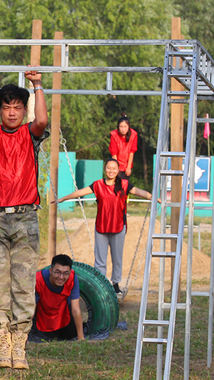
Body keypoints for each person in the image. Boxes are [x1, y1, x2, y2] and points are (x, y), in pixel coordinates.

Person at [0, 68, 49, 370]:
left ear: (23, 110)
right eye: (7, 107)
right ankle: (3, 340)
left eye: (18, 107)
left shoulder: (30, 134)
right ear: (1, 110)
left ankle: (20, 344)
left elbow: (41, 120)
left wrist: (37, 85)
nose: (12, 112)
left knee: (24, 285)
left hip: (24, 218)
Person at [56, 158, 153, 295]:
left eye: (114, 168)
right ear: (105, 169)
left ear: (118, 170)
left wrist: (155, 198)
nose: (111, 171)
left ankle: (115, 285)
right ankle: (101, 284)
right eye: (108, 168)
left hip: (118, 226)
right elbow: (80, 193)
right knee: (100, 259)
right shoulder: (98, 185)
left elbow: (140, 192)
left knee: (117, 258)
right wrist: (63, 198)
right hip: (101, 227)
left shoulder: (124, 184)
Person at [30, 254, 85, 342]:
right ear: (51, 270)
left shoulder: (72, 279)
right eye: (57, 272)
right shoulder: (38, 280)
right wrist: (24, 336)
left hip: (62, 317)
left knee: (70, 334)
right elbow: (31, 310)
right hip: (42, 318)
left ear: (70, 272)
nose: (61, 277)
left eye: (65, 273)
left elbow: (75, 309)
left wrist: (81, 337)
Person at [109, 115, 138, 180]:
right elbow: (114, 154)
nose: (123, 129)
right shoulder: (114, 135)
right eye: (121, 127)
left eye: (125, 127)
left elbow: (132, 152)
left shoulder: (133, 135)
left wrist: (128, 167)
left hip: (127, 164)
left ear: (128, 126)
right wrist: (116, 169)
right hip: (116, 164)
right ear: (118, 127)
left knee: (125, 186)